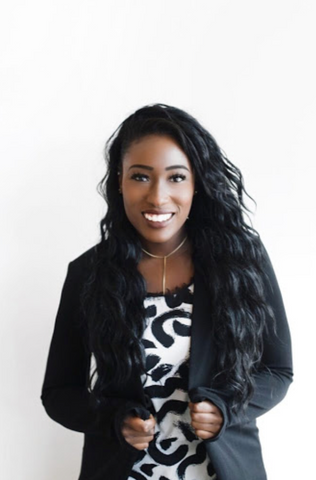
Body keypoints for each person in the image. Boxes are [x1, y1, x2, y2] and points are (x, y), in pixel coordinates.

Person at [41, 104, 293, 480]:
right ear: (119, 181)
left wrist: (227, 408)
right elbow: (59, 393)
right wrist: (113, 419)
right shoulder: (89, 273)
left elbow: (277, 371)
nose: (158, 198)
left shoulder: (241, 261)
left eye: (176, 178)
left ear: (197, 183)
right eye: (140, 177)